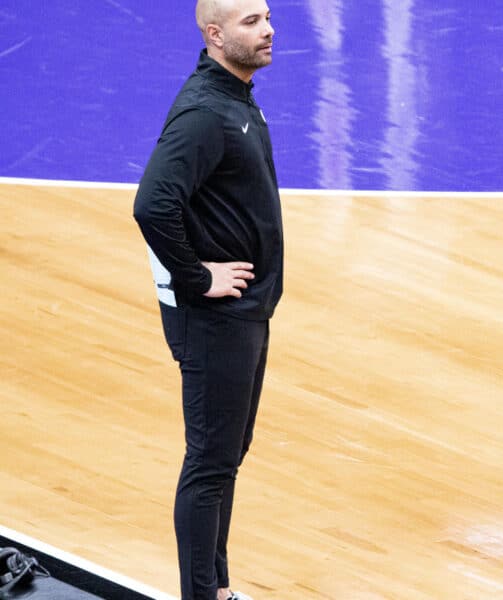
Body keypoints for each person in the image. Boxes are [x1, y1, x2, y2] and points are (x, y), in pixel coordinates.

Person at [133, 1, 279, 599]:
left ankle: (215, 589)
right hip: (214, 317)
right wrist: (199, 278)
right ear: (216, 35)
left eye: (267, 16)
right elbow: (152, 204)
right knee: (210, 463)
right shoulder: (204, 113)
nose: (267, 29)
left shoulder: (237, 96)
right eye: (250, 22)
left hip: (245, 314)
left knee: (227, 454)